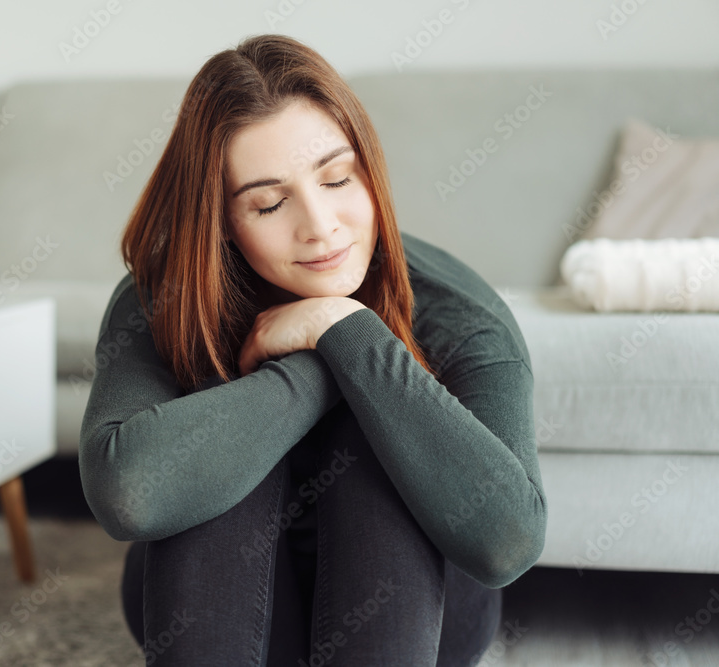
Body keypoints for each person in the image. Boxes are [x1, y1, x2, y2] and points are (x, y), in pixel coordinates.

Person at [78, 34, 548, 666]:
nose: (320, 226)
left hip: (421, 623)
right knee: (215, 428)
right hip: (227, 615)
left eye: (337, 178)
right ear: (220, 220)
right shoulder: (170, 295)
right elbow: (129, 492)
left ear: (369, 170)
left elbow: (508, 542)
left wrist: (347, 331)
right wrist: (314, 371)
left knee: (378, 426)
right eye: (270, 203)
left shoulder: (459, 313)